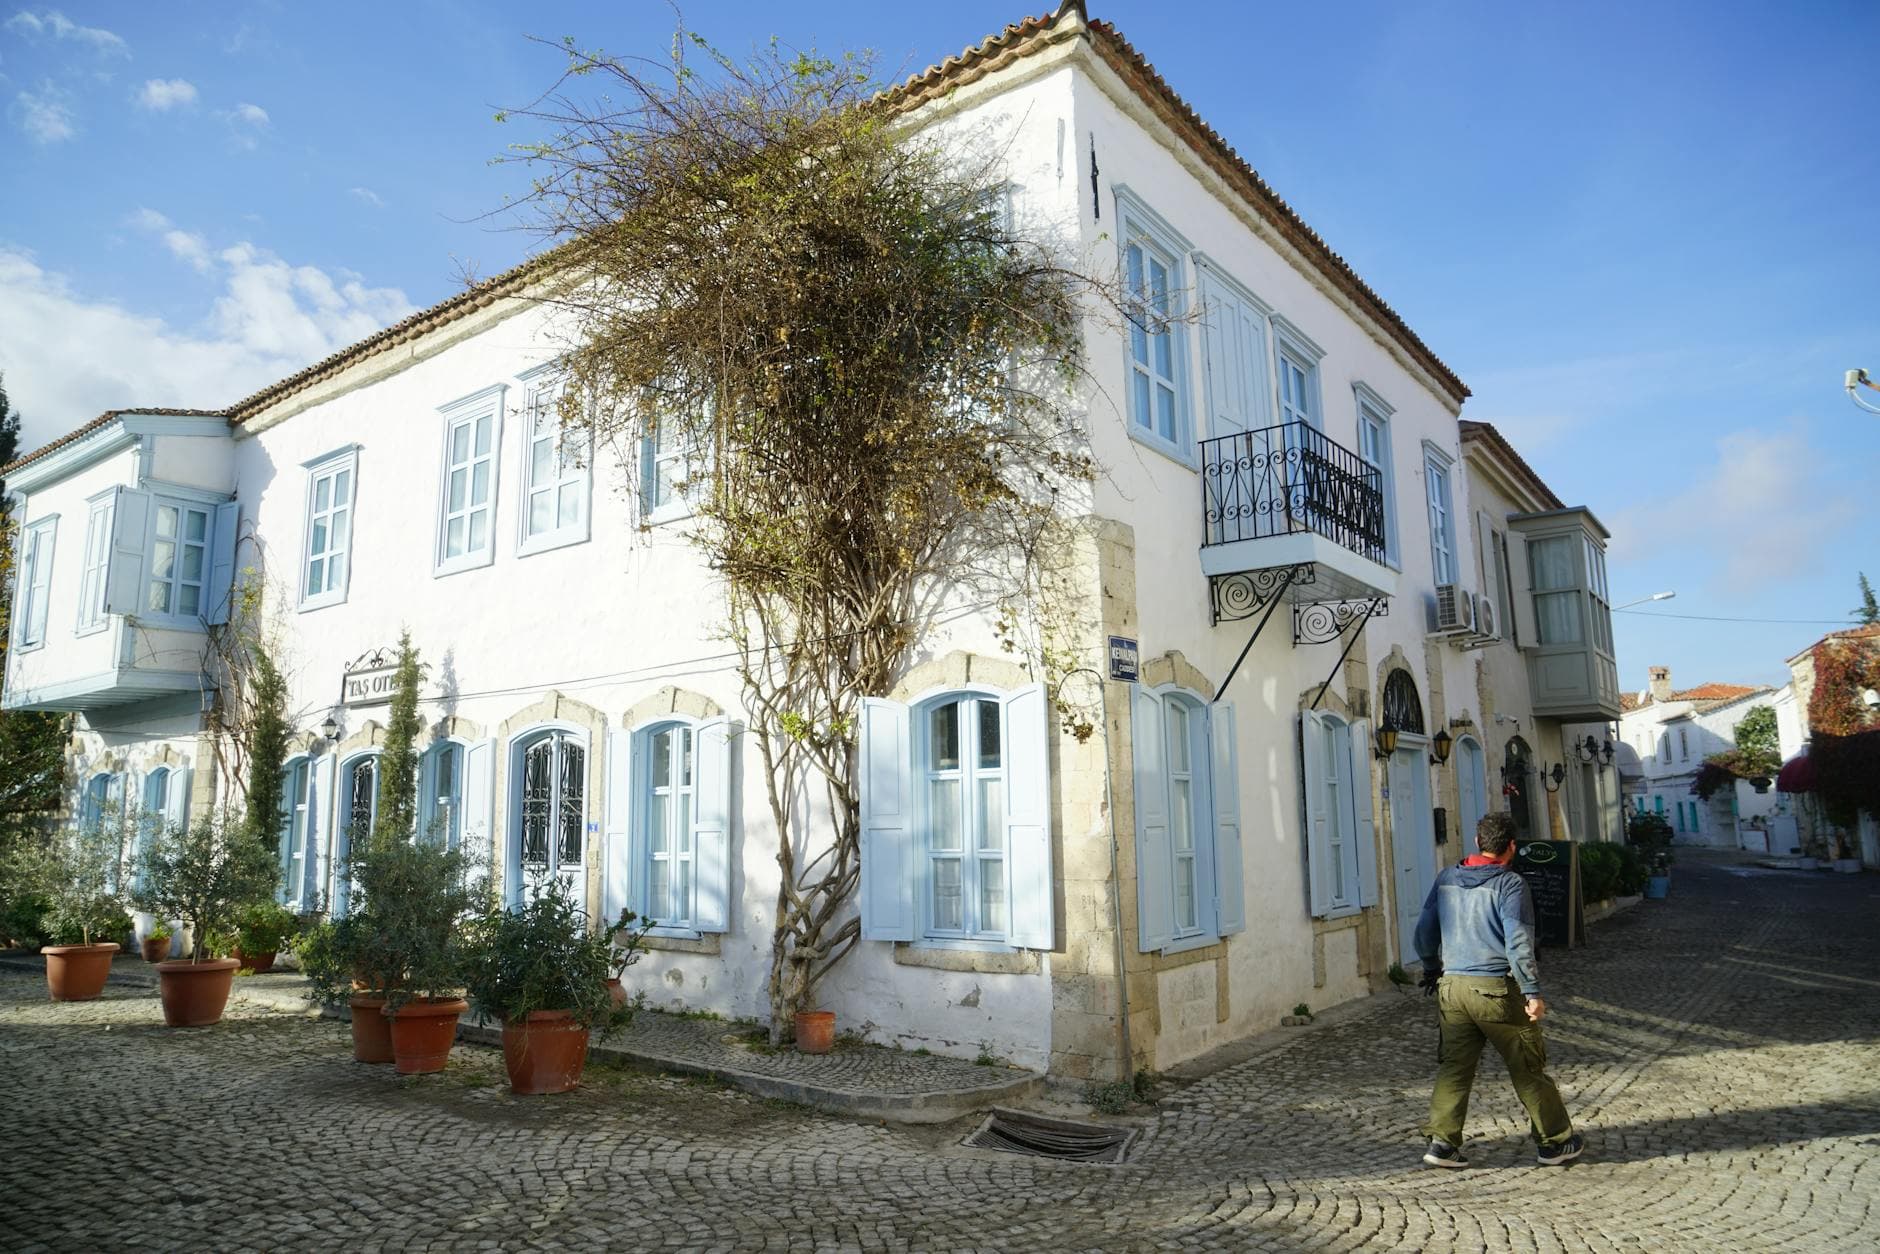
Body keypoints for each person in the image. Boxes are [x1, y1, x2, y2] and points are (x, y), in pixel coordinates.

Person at [1413, 811, 1582, 1168]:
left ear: (1477, 842)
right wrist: (1532, 991)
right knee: (1527, 1067)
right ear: (1512, 848)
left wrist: (1432, 968)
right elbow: (1518, 942)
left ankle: (1442, 1144)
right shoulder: (1511, 885)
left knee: (1454, 1068)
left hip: (1453, 988)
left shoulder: (1446, 878)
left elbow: (1423, 934)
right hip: (1497, 991)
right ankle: (1554, 1142)